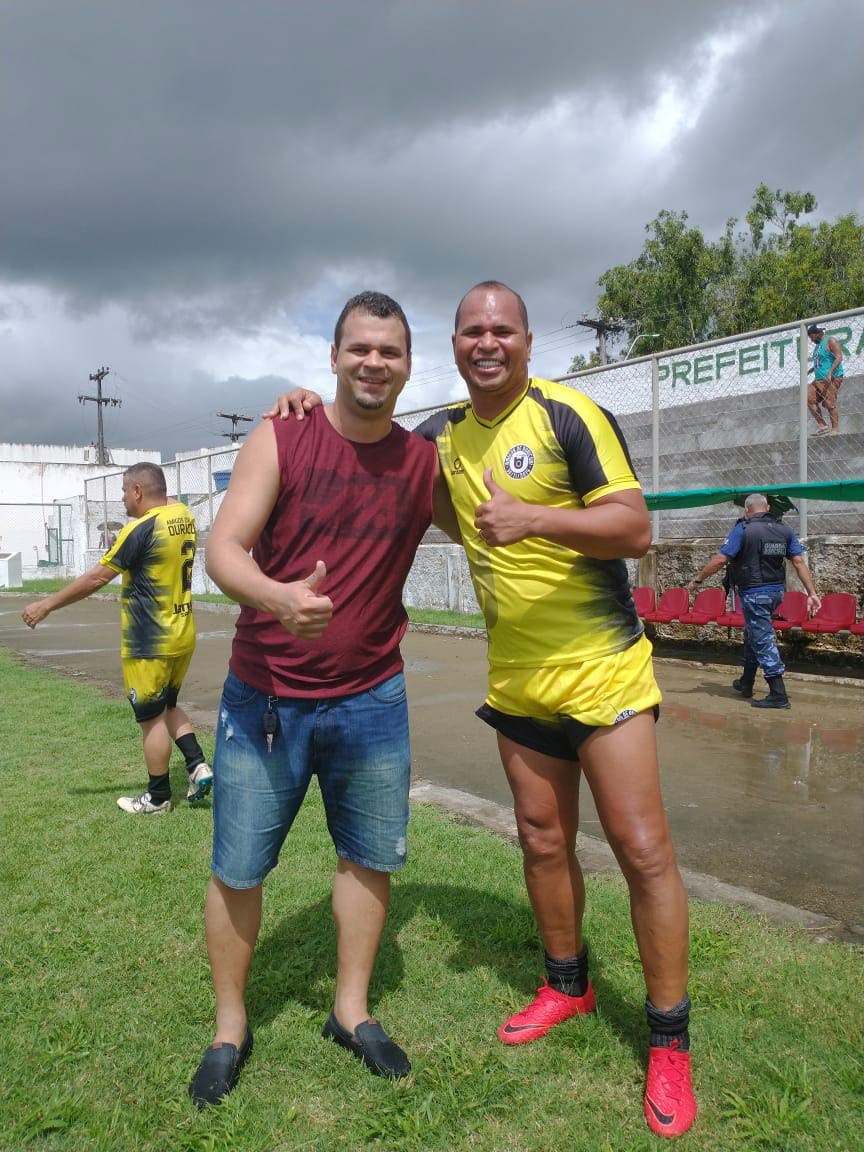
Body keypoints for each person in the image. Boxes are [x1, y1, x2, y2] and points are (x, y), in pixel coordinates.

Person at [274, 281, 697, 1138]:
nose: (488, 342)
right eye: (472, 331)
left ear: (528, 342)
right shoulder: (442, 437)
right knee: (541, 839)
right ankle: (567, 985)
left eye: (503, 329)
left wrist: (533, 518)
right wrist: (305, 407)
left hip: (604, 674)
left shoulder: (569, 414)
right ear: (456, 347)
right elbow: (370, 435)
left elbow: (634, 528)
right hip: (517, 681)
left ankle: (668, 1043)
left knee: (643, 851)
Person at [188, 292, 458, 1109]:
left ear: (408, 367)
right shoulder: (283, 434)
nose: (374, 362)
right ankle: (229, 1028)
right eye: (360, 348)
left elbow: (492, 528)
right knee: (239, 866)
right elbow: (222, 547)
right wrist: (276, 598)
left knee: (367, 857)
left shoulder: (422, 464)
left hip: (372, 698)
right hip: (265, 699)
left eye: (390, 351)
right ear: (334, 357)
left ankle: (351, 1012)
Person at [22, 463, 212, 813]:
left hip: (149, 640)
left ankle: (158, 798)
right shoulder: (182, 515)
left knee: (151, 719)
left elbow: (97, 578)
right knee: (168, 706)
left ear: (138, 491)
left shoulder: (140, 529)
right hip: (182, 632)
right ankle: (197, 765)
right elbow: (166, 498)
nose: (123, 499)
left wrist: (46, 605)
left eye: (125, 491)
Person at [688, 493, 820, 708]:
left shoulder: (744, 529)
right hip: (776, 592)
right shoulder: (784, 529)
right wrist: (812, 593)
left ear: (747, 509)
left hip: (755, 593)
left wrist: (698, 579)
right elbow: (798, 562)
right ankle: (746, 682)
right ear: (767, 508)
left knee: (763, 640)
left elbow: (721, 559)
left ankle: (778, 694)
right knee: (753, 634)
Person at [807, 323, 844, 435]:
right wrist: (813, 368)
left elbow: (839, 357)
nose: (811, 340)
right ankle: (823, 426)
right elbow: (823, 360)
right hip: (819, 379)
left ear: (817, 333)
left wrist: (830, 372)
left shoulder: (830, 341)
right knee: (808, 398)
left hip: (831, 378)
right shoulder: (818, 345)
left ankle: (835, 429)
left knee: (829, 403)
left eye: (812, 337)